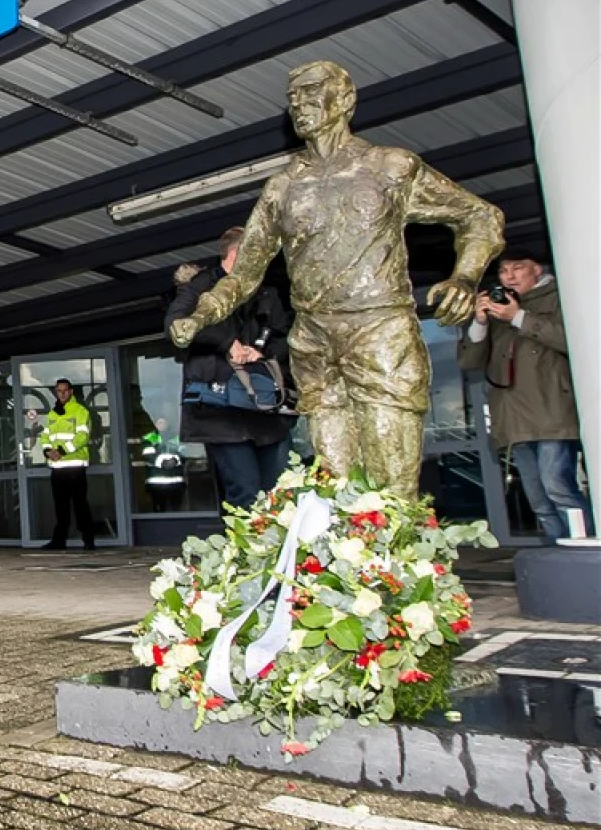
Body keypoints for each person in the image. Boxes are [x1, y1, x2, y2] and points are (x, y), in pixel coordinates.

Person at [169, 60, 504, 496]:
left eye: (312, 94)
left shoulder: (390, 167)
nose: (300, 106)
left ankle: (393, 561)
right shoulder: (283, 187)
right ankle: (347, 560)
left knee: (391, 483)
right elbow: (245, 271)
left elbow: (481, 217)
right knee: (336, 486)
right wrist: (202, 315)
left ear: (345, 101)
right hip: (315, 338)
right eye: (293, 100)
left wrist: (464, 276)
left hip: (379, 329)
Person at [459, 248, 592, 542]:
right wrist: (480, 321)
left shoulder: (560, 296)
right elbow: (469, 362)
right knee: (539, 498)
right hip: (513, 417)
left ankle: (586, 551)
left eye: (517, 268)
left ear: (538, 270)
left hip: (552, 411)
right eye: (504, 271)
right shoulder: (499, 309)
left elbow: (572, 340)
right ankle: (560, 554)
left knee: (557, 486)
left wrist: (518, 316)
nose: (509, 276)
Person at [166, 227, 296, 513]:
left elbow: (287, 336)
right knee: (245, 495)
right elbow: (176, 325)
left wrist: (261, 351)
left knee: (280, 495)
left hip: (266, 411)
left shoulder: (267, 292)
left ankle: (278, 556)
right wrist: (227, 343)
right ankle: (245, 556)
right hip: (220, 412)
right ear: (237, 253)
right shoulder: (199, 286)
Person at [39, 379, 95, 551]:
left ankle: (88, 540)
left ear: (71, 392)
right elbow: (45, 436)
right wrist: (48, 451)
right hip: (57, 468)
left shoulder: (80, 411)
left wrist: (61, 451)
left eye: (65, 391)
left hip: (75, 466)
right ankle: (59, 540)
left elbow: (82, 437)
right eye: (59, 391)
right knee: (61, 507)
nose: (62, 394)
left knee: (80, 505)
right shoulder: (52, 414)